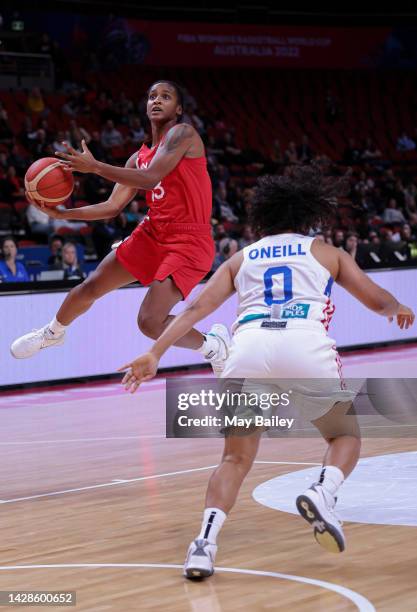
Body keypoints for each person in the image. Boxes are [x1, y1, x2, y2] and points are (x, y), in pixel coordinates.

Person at [118, 166, 415, 578]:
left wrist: (154, 352)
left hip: (248, 350)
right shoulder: (326, 251)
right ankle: (323, 492)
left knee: (235, 459)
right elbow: (375, 299)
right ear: (310, 213)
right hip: (303, 346)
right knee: (344, 434)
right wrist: (396, 307)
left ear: (263, 217)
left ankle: (203, 545)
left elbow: (195, 309)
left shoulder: (242, 257)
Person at [10, 81, 226, 374]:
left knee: (149, 322)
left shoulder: (183, 134)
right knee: (90, 286)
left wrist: (96, 166)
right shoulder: (137, 158)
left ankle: (213, 345)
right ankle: (52, 333)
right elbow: (111, 208)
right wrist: (62, 213)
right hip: (153, 232)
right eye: (151, 96)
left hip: (188, 240)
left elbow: (150, 178)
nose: (157, 101)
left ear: (179, 109)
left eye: (165, 97)